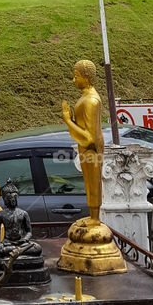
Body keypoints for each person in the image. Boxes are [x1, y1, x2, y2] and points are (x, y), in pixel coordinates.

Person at [62, 59, 103, 221]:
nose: (74, 80)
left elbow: (90, 138)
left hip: (91, 148)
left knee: (93, 182)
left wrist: (68, 121)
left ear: (86, 77)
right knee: (89, 182)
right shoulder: (86, 97)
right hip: (86, 148)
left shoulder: (91, 101)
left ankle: (95, 218)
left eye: (76, 76)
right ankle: (93, 216)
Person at [0, 180, 42, 268]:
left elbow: (29, 231)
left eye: (14, 197)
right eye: (9, 197)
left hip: (22, 243)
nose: (12, 199)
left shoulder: (23, 213)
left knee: (37, 248)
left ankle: (15, 251)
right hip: (7, 243)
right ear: (4, 199)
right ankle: (15, 251)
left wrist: (25, 239)